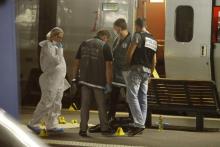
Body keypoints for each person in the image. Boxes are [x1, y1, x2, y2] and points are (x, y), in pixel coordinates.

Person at [28, 27, 70, 133]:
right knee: (46, 102)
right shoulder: (47, 46)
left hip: (58, 79)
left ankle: (52, 124)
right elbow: (56, 61)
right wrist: (60, 50)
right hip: (50, 79)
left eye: (61, 38)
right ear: (53, 36)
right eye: (59, 37)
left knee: (56, 103)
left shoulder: (55, 46)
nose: (60, 39)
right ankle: (33, 123)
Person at [73, 30, 113, 137]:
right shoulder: (105, 46)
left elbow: (77, 62)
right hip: (98, 82)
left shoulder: (84, 43)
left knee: (85, 105)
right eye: (107, 38)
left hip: (85, 80)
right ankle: (104, 128)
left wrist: (74, 78)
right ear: (104, 37)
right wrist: (109, 83)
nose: (107, 40)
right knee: (101, 105)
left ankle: (82, 129)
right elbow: (109, 66)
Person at [126, 18, 157, 136]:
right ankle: (140, 124)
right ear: (146, 25)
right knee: (142, 97)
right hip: (147, 71)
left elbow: (130, 52)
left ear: (137, 25)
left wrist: (127, 65)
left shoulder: (137, 35)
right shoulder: (153, 39)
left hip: (136, 69)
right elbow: (154, 60)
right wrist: (150, 74)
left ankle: (139, 124)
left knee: (131, 96)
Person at [108, 18, 132, 120]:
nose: (114, 30)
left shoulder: (131, 39)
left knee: (130, 98)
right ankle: (110, 117)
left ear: (119, 28)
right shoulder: (117, 39)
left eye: (115, 28)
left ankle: (133, 118)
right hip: (116, 73)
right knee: (113, 97)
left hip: (127, 74)